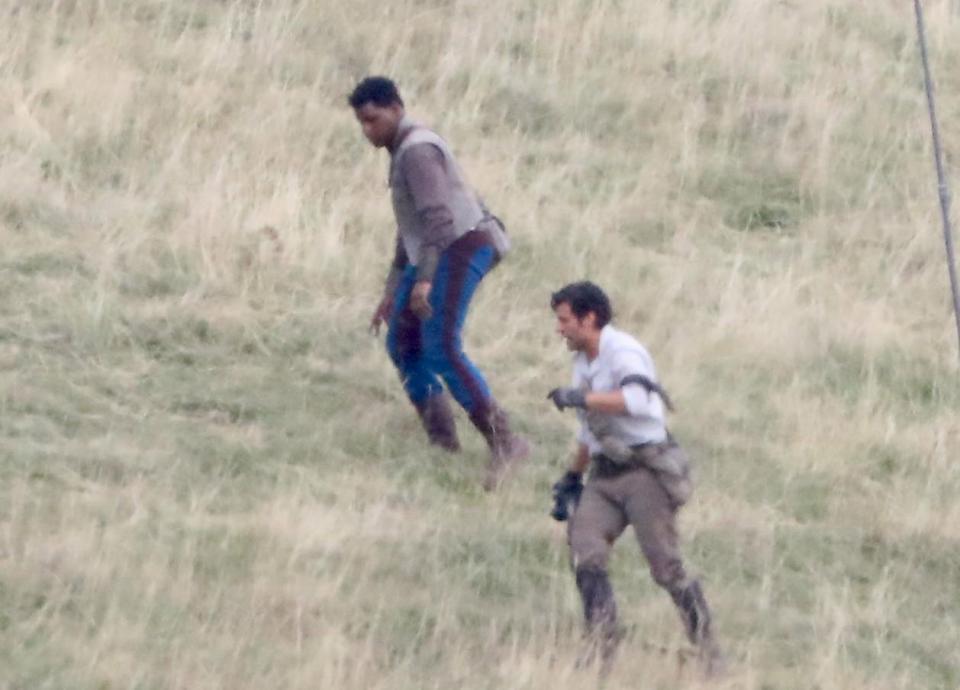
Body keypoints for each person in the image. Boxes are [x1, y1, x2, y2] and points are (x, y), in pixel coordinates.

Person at [348, 76, 529, 490]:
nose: (367, 130)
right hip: (439, 247)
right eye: (361, 122)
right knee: (402, 342)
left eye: (373, 119)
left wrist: (424, 281)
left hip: (464, 243)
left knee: (441, 345)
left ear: (397, 108)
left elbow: (439, 220)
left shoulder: (417, 152)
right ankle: (442, 442)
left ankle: (506, 441)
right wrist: (392, 292)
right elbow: (410, 229)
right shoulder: (401, 151)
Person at [545, 281, 723, 674]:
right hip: (605, 473)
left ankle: (709, 653)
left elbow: (641, 402)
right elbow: (591, 431)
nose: (559, 329)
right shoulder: (584, 362)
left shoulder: (623, 351)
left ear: (589, 319)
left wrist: (581, 398)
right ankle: (600, 647)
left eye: (565, 320)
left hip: (646, 473)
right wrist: (572, 477)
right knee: (584, 549)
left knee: (666, 568)